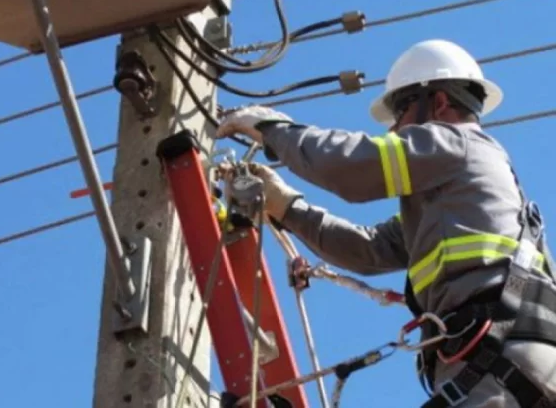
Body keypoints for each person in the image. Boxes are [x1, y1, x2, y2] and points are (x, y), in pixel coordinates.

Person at [216, 39, 556, 407]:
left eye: (401, 111)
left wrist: (274, 130)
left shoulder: (457, 144)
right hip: (504, 364)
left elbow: (352, 165)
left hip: (496, 362)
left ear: (438, 102)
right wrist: (289, 208)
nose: (395, 129)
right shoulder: (452, 203)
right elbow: (368, 249)